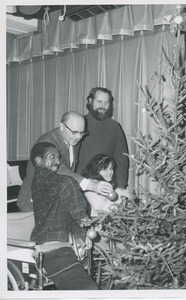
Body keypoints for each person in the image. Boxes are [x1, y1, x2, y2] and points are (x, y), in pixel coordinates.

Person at [30, 141, 99, 290]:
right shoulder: (42, 177)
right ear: (38, 161)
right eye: (52, 156)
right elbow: (67, 184)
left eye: (59, 157)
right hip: (53, 250)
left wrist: (79, 233)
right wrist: (83, 219)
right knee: (87, 290)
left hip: (57, 248)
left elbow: (63, 207)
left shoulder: (50, 182)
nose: (58, 160)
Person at [17, 111, 113, 212]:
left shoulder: (72, 139)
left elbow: (70, 169)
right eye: (75, 132)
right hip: (34, 202)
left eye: (82, 132)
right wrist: (91, 185)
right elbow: (60, 169)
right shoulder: (46, 142)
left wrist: (93, 181)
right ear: (62, 127)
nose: (79, 137)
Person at [76, 87, 129, 189]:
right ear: (90, 101)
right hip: (80, 184)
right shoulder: (79, 123)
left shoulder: (114, 127)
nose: (103, 106)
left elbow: (122, 160)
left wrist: (120, 187)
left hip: (105, 186)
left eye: (106, 103)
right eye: (99, 102)